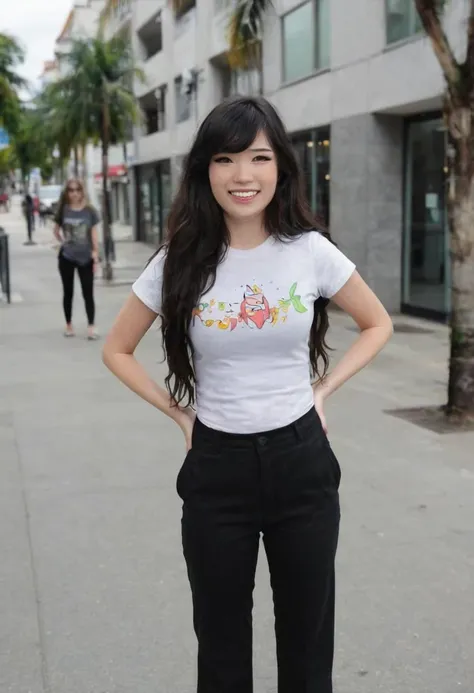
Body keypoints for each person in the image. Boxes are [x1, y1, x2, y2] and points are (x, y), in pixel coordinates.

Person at [102, 96, 393, 693]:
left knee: (308, 647)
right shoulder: (179, 260)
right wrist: (179, 414)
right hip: (217, 470)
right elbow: (116, 350)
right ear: (204, 170)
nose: (243, 175)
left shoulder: (309, 250)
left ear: (280, 167)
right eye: (226, 159)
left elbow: (377, 323)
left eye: (259, 158)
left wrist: (323, 391)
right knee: (222, 646)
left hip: (301, 463)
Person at [53, 178, 100, 339]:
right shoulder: (63, 210)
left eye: (77, 190)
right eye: (71, 190)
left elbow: (94, 233)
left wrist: (95, 253)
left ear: (82, 192)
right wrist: (63, 243)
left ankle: (91, 327)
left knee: (88, 292)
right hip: (67, 257)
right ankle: (69, 325)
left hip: (86, 257)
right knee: (68, 291)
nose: (74, 193)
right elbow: (56, 231)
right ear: (67, 193)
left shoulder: (90, 211)